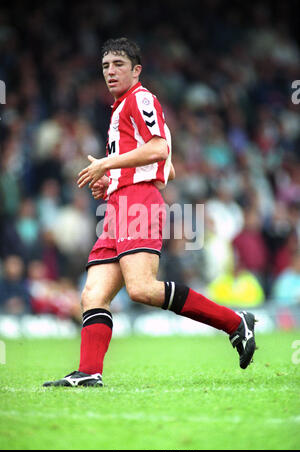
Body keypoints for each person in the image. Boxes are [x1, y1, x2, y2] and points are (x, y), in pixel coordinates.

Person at [43, 38, 257, 388]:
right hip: (118, 204)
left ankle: (235, 322)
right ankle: (88, 372)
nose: (110, 72)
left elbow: (159, 150)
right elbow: (167, 169)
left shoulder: (141, 99)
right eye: (105, 67)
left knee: (141, 288)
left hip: (137, 202)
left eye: (118, 65)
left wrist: (112, 166)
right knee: (93, 295)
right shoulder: (120, 108)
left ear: (136, 70)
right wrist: (112, 178)